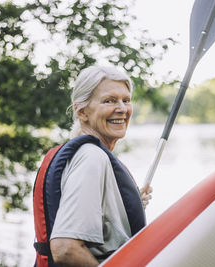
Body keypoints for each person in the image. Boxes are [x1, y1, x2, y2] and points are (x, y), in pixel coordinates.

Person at [33, 65, 152, 267]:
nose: (122, 109)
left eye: (126, 100)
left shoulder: (80, 154)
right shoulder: (91, 157)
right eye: (110, 101)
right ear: (82, 112)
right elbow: (65, 248)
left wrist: (125, 204)